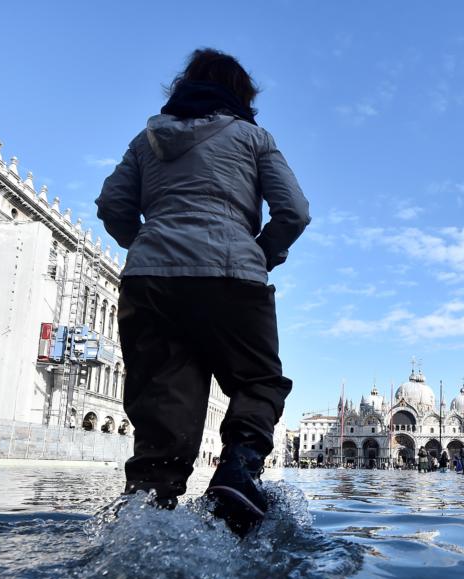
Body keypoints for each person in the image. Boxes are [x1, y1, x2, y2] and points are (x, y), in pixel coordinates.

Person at [96, 48, 310, 535]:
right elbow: (294, 211)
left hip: (150, 284)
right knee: (257, 381)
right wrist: (263, 253)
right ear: (241, 96)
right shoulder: (254, 138)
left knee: (163, 401)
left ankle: (146, 511)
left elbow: (112, 205)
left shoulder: (145, 141)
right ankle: (237, 470)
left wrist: (149, 245)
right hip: (231, 275)